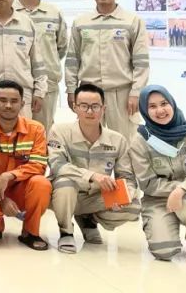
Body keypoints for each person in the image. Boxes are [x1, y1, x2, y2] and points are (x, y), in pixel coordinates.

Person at [48, 83, 140, 253]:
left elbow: (127, 176)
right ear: (75, 107)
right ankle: (66, 231)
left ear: (103, 108)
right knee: (66, 183)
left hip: (95, 197)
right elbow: (57, 165)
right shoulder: (59, 131)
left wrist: (128, 194)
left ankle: (88, 218)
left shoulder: (117, 140)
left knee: (133, 206)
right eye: (84, 106)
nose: (90, 111)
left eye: (95, 106)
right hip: (62, 195)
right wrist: (92, 176)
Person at [131, 85, 186, 261]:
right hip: (157, 200)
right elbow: (147, 183)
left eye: (164, 103)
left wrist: (180, 191)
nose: (160, 110)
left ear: (172, 104)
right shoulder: (141, 140)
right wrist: (176, 189)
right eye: (152, 106)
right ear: (144, 110)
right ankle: (161, 225)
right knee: (164, 251)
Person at [66, 0, 150, 139]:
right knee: (88, 140)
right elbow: (72, 59)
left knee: (124, 141)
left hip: (121, 94)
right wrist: (71, 89)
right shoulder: (81, 22)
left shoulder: (132, 21)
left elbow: (141, 62)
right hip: (88, 94)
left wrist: (136, 92)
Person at [0, 80, 51, 251]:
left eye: (14, 101)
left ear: (22, 103)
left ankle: (30, 232)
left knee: (41, 183)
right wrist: (0, 198)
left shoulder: (36, 129)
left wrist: (9, 175)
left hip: (21, 187)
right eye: (3, 100)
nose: (8, 105)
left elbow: (38, 165)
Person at [13, 0, 68, 132]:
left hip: (47, 84)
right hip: (16, 84)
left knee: (43, 131)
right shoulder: (9, 12)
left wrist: (46, 64)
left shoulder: (53, 12)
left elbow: (61, 47)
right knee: (15, 132)